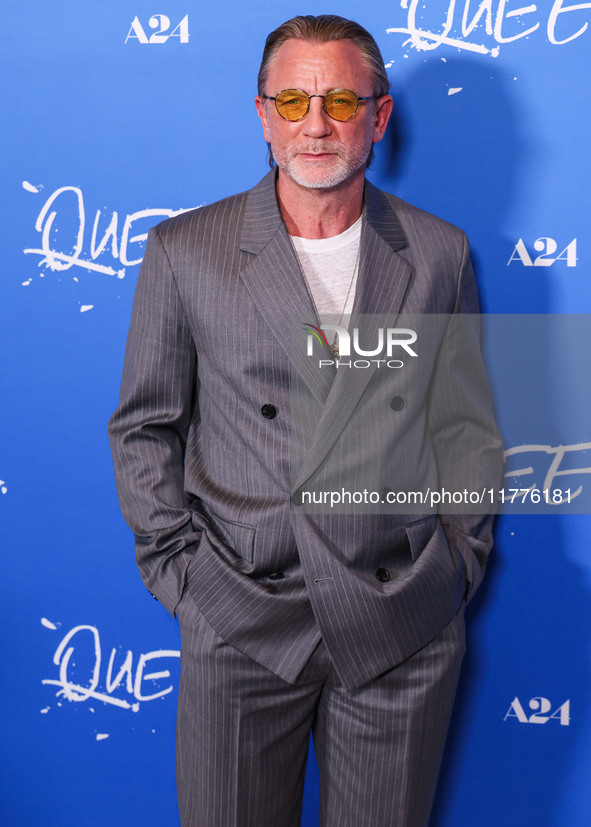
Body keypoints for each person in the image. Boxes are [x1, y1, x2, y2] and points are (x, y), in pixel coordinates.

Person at [108, 14, 502, 827]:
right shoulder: (187, 250)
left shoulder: (438, 253)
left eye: (339, 101)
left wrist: (455, 563)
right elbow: (145, 426)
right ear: (261, 114)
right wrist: (186, 581)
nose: (314, 123)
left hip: (398, 621)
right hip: (241, 617)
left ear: (379, 116)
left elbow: (464, 429)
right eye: (291, 100)